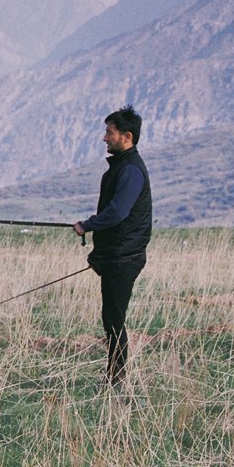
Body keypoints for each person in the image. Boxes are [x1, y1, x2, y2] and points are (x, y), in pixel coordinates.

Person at [72, 106, 151, 385]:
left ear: (126, 136)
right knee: (111, 318)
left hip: (124, 257)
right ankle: (114, 375)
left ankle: (116, 379)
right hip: (118, 255)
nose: (105, 138)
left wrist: (87, 224)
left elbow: (117, 213)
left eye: (109, 132)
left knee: (114, 320)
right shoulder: (123, 166)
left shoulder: (130, 170)